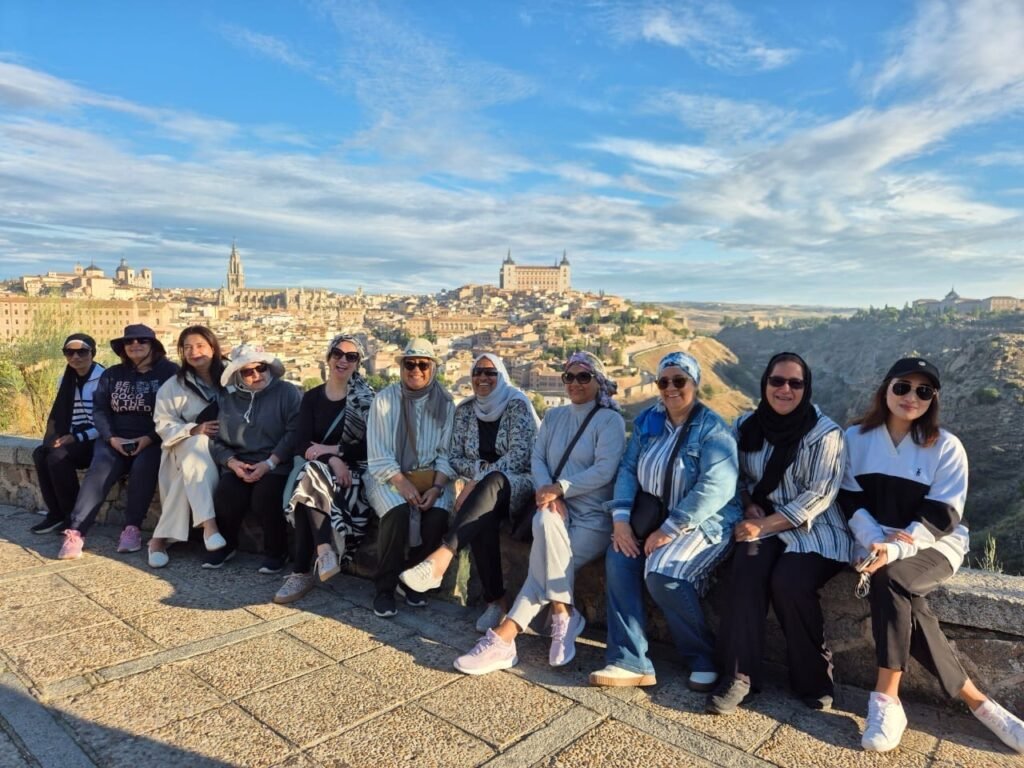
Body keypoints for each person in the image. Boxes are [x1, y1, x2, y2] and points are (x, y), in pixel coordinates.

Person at [840, 358, 1023, 754]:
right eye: (903, 387)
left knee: (891, 579)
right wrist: (875, 540)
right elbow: (850, 499)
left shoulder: (946, 447)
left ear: (933, 399)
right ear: (886, 388)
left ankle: (886, 698)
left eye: (924, 391)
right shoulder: (855, 438)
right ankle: (982, 704)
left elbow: (943, 515)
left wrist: (897, 548)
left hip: (934, 545)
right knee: (902, 596)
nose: (911, 397)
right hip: (874, 541)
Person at [453, 351, 626, 675]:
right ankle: (562, 612)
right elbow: (538, 459)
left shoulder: (610, 420)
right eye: (569, 377)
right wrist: (548, 492)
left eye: (583, 377)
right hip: (554, 508)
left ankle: (505, 637)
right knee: (545, 519)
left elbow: (605, 469)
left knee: (546, 568)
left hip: (591, 517)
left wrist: (560, 488)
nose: (575, 383)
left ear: (598, 381)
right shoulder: (555, 417)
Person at [706, 352, 852, 715]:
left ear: (806, 388)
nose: (785, 389)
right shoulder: (745, 425)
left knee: (790, 581)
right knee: (747, 568)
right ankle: (740, 677)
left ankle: (814, 680)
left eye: (795, 383)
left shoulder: (825, 434)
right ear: (765, 384)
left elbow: (819, 494)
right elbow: (732, 474)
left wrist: (763, 525)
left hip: (815, 527)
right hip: (760, 521)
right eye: (777, 381)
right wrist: (746, 503)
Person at [588, 352, 740, 692]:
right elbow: (628, 469)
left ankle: (701, 657)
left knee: (662, 574)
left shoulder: (713, 430)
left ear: (695, 384)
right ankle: (630, 660)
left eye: (679, 381)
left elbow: (717, 487)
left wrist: (670, 529)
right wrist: (622, 521)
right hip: (651, 517)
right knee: (619, 556)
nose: (671, 388)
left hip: (703, 521)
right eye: (664, 381)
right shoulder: (648, 421)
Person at [398, 352, 539, 632]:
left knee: (491, 484)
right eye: (477, 372)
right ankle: (495, 603)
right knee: (481, 516)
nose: (482, 378)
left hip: (518, 485)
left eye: (490, 373)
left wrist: (476, 479)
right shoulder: (465, 410)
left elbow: (521, 457)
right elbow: (454, 457)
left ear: (501, 377)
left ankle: (441, 559)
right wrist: (479, 474)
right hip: (484, 492)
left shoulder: (517, 406)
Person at [57, 325, 178, 559]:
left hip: (152, 437)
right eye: (129, 341)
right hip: (114, 437)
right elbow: (100, 410)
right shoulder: (112, 374)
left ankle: (131, 529)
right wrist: (111, 438)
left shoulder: (169, 373)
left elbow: (175, 411)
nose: (135, 345)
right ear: (123, 347)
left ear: (153, 345)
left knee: (145, 468)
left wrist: (149, 438)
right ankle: (76, 531)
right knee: (100, 469)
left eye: (142, 340)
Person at [274, 334, 375, 604]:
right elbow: (301, 443)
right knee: (313, 475)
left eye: (351, 357)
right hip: (322, 469)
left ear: (358, 363)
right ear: (328, 358)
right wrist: (331, 459)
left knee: (309, 482)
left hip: (352, 476)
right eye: (337, 354)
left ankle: (302, 571)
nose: (343, 360)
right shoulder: (311, 398)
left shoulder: (367, 401)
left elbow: (369, 448)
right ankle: (323, 550)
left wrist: (333, 453)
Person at [365, 338, 456, 618]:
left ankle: (414, 582)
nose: (416, 370)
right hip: (388, 475)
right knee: (397, 512)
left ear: (433, 369)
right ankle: (385, 587)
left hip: (433, 476)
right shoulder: (384, 400)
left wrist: (438, 487)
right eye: (410, 364)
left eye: (423, 364)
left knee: (437, 516)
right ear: (402, 367)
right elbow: (379, 452)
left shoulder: (446, 403)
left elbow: (447, 452)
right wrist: (401, 483)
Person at [206, 345, 301, 572]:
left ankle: (277, 551)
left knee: (265, 497)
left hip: (277, 462)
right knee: (226, 494)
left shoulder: (287, 393)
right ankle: (227, 545)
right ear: (238, 376)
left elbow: (295, 431)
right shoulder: (227, 401)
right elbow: (217, 440)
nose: (257, 375)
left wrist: (270, 463)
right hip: (240, 463)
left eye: (261, 368)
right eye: (248, 372)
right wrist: (231, 462)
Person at [147, 326, 228, 568]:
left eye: (200, 345)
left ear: (212, 348)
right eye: (188, 347)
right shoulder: (173, 385)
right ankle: (210, 526)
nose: (194, 352)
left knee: (188, 474)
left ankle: (158, 539)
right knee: (196, 446)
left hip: (222, 449)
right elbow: (162, 423)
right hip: (183, 447)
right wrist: (192, 430)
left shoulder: (231, 377)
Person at [31, 333, 105, 534]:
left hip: (98, 440)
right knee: (41, 453)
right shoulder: (65, 379)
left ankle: (73, 515)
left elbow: (107, 422)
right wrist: (59, 437)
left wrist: (77, 437)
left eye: (82, 352)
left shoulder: (104, 379)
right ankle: (55, 514)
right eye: (69, 352)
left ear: (92, 353)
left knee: (57, 456)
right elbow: (64, 416)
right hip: (75, 438)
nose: (75, 357)